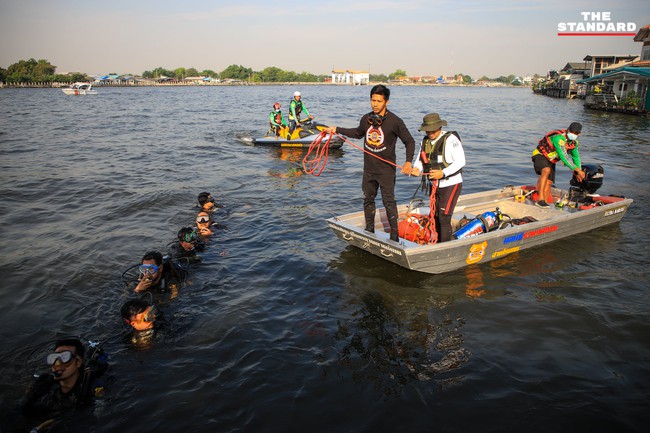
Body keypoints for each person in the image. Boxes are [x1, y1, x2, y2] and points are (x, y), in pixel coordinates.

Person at [325, 84, 415, 242]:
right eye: (373, 100)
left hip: (386, 170)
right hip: (369, 170)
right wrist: (337, 129)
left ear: (386, 102)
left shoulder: (395, 121)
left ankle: (394, 236)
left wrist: (408, 162)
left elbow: (410, 141)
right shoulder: (366, 119)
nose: (375, 104)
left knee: (389, 202)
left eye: (379, 101)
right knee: (368, 198)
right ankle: (369, 229)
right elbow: (357, 133)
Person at [20, 338, 107, 430]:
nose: (57, 364)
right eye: (54, 358)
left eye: (65, 357)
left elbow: (95, 419)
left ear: (78, 362)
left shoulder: (93, 387)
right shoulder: (45, 385)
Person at [411, 113, 466, 243]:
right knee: (434, 215)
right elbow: (419, 160)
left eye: (433, 130)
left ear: (440, 127)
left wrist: (443, 173)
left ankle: (445, 246)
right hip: (434, 185)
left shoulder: (451, 140)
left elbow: (461, 161)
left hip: (451, 184)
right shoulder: (424, 142)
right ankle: (435, 241)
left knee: (444, 217)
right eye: (428, 130)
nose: (430, 133)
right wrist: (416, 169)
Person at [532, 122, 586, 208]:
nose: (573, 134)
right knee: (546, 170)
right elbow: (564, 157)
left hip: (551, 160)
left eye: (575, 133)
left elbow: (576, 157)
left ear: (579, 134)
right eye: (571, 131)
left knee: (549, 182)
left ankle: (544, 205)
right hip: (540, 155)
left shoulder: (574, 143)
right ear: (568, 129)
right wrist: (577, 170)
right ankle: (540, 200)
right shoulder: (558, 138)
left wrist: (578, 172)